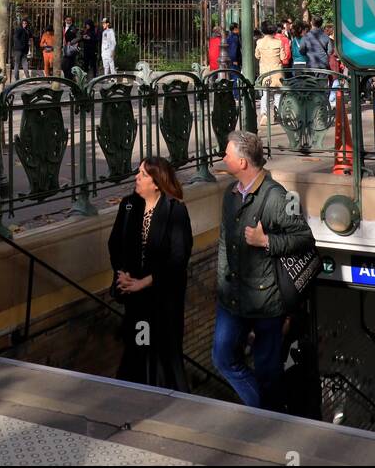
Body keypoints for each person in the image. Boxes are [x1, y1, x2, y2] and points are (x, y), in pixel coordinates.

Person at [212, 130, 314, 411]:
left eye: (227, 154)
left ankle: (271, 419)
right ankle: (264, 411)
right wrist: (221, 282)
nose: (223, 158)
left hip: (266, 301)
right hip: (232, 298)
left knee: (268, 372)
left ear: (242, 162)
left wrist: (266, 241)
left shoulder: (277, 197)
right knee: (222, 357)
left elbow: (304, 238)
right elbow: (224, 242)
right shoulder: (230, 195)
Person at [108, 157, 193, 391]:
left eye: (143, 174)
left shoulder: (175, 210)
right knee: (138, 351)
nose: (136, 177)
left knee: (165, 356)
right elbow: (115, 244)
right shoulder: (128, 206)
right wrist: (123, 275)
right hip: (137, 302)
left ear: (156, 182)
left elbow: (178, 258)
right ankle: (137, 399)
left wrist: (143, 282)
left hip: (164, 301)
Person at [255, 22, 284, 125]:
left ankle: (264, 115)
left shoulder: (259, 42)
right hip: (277, 71)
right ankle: (277, 114)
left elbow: (257, 55)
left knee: (265, 94)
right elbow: (283, 57)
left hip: (265, 72)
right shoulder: (278, 42)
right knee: (278, 94)